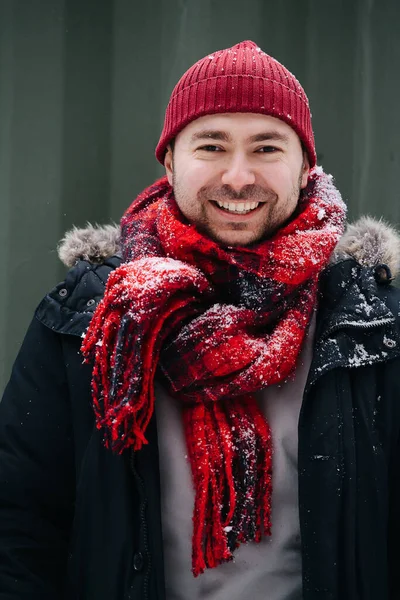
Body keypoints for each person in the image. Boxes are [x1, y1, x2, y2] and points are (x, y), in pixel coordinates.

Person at [1, 39, 400, 600]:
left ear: (307, 165)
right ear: (169, 161)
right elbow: (21, 524)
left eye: (267, 148)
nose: (238, 178)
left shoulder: (371, 325)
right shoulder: (88, 320)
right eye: (211, 145)